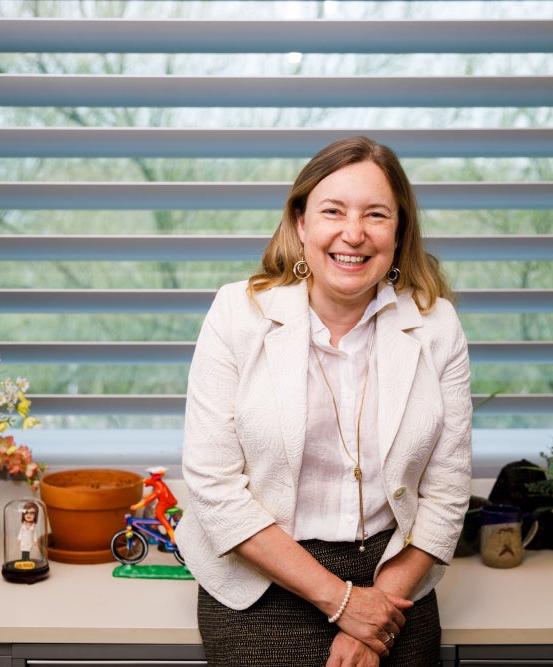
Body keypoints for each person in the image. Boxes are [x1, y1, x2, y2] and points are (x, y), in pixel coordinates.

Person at [176, 136, 472, 667]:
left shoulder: (436, 326)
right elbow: (213, 487)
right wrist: (342, 603)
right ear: (300, 223)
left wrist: (373, 610)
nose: (353, 234)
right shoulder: (236, 315)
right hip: (259, 580)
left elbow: (448, 494)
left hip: (396, 579)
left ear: (399, 230)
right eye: (332, 211)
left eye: (376, 215)